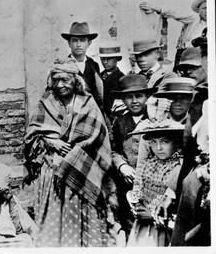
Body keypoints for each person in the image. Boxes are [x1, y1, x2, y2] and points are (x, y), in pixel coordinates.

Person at [24, 58, 116, 247]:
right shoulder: (46, 103)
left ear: (75, 80)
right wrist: (52, 141)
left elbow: (96, 136)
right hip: (53, 172)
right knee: (53, 216)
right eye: (56, 80)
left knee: (81, 220)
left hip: (81, 170)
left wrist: (73, 155)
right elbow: (32, 135)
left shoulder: (88, 104)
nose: (60, 85)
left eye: (65, 80)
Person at [170, 45, 209, 246]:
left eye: (192, 67)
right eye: (183, 69)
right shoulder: (199, 93)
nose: (187, 73)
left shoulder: (205, 94)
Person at [109, 74, 156, 239]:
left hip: (152, 183)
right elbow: (113, 150)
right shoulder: (119, 122)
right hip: (127, 184)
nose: (134, 101)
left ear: (147, 97)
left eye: (139, 96)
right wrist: (122, 165)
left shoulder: (154, 121)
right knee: (130, 223)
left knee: (152, 224)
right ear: (123, 99)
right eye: (129, 97)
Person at [126, 119, 184, 247]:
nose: (158, 148)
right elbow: (140, 189)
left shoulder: (179, 167)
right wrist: (138, 206)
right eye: (153, 142)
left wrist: (152, 215)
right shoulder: (151, 162)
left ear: (176, 141)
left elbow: (178, 204)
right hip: (144, 225)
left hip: (165, 227)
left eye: (165, 141)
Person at [139, 0, 207, 67]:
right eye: (204, 8)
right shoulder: (194, 18)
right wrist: (156, 8)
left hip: (201, 55)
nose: (207, 11)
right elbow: (175, 13)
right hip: (184, 53)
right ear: (198, 10)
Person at [61, 21, 104, 110]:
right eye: (74, 40)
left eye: (82, 40)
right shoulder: (62, 66)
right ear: (69, 43)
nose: (78, 45)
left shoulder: (94, 65)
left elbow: (98, 94)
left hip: (91, 113)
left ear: (89, 43)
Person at [94, 41, 125, 124]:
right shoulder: (98, 76)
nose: (105, 62)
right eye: (102, 58)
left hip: (114, 120)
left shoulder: (122, 79)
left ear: (117, 58)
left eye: (109, 58)